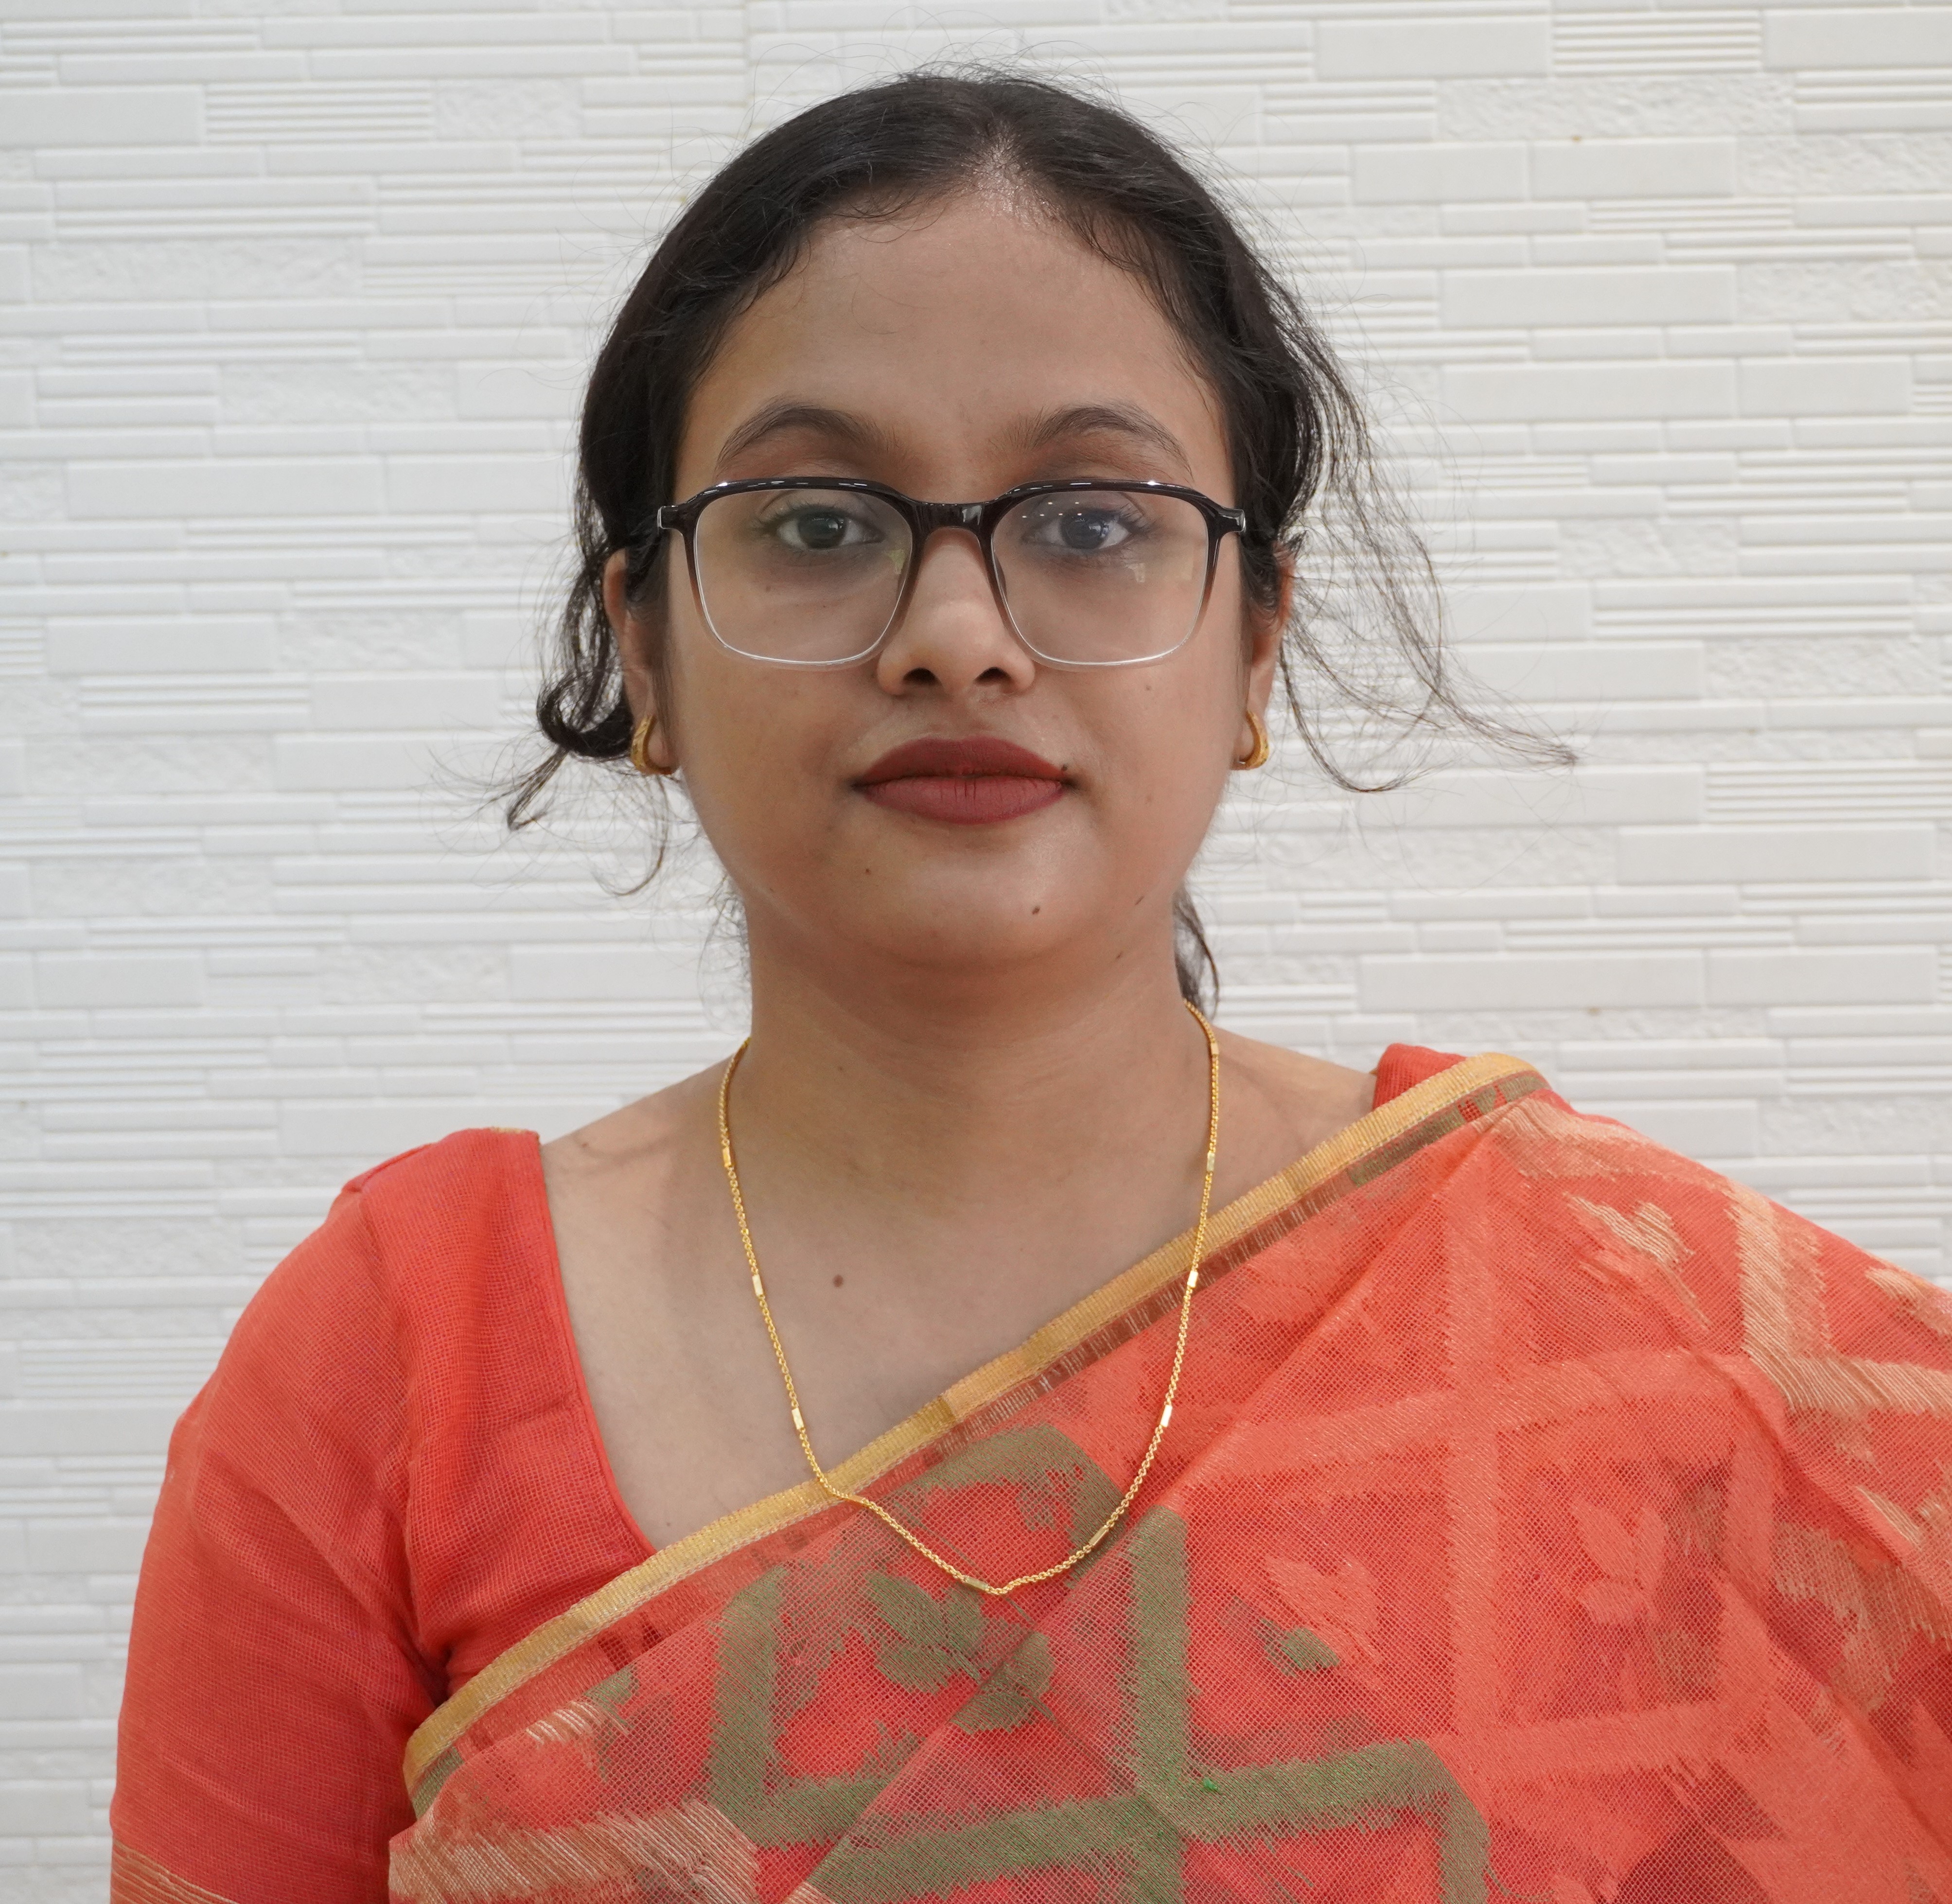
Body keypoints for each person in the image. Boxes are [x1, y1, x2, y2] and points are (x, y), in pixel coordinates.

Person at [111, 69, 1952, 1904]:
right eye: (817, 522)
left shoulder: (1613, 1317)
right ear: (644, 650)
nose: (957, 637)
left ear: (1254, 645)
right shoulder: (396, 1359)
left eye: (1089, 521)